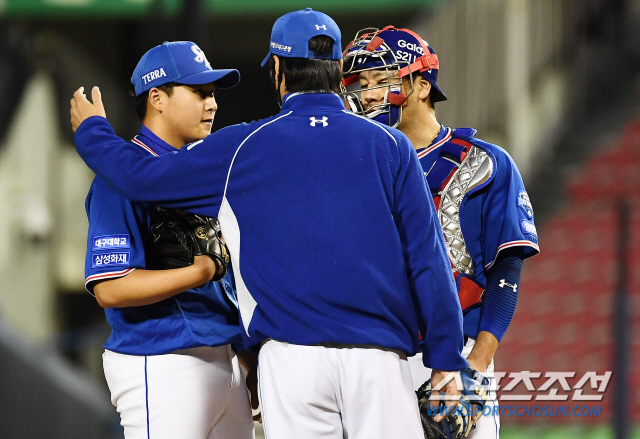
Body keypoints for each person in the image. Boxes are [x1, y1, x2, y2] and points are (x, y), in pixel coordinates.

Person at [70, 10, 468, 439]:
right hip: (379, 358)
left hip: (291, 361)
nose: (212, 102)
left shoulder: (245, 144)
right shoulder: (391, 146)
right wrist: (445, 357)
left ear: (277, 70)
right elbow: (428, 259)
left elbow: (140, 178)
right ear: (337, 70)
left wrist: (93, 131)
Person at [341, 26, 541, 437]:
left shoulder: (485, 164)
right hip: (376, 353)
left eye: (382, 80)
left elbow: (506, 268)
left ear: (421, 84)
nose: (369, 94)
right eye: (362, 85)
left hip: (460, 349)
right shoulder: (350, 170)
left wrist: (477, 366)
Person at [82, 41, 255, 439]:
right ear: (157, 97)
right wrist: (201, 271)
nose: (211, 105)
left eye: (212, 94)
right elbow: (111, 286)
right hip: (160, 359)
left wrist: (246, 357)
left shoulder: (202, 172)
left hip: (223, 359)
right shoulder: (120, 179)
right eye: (199, 93)